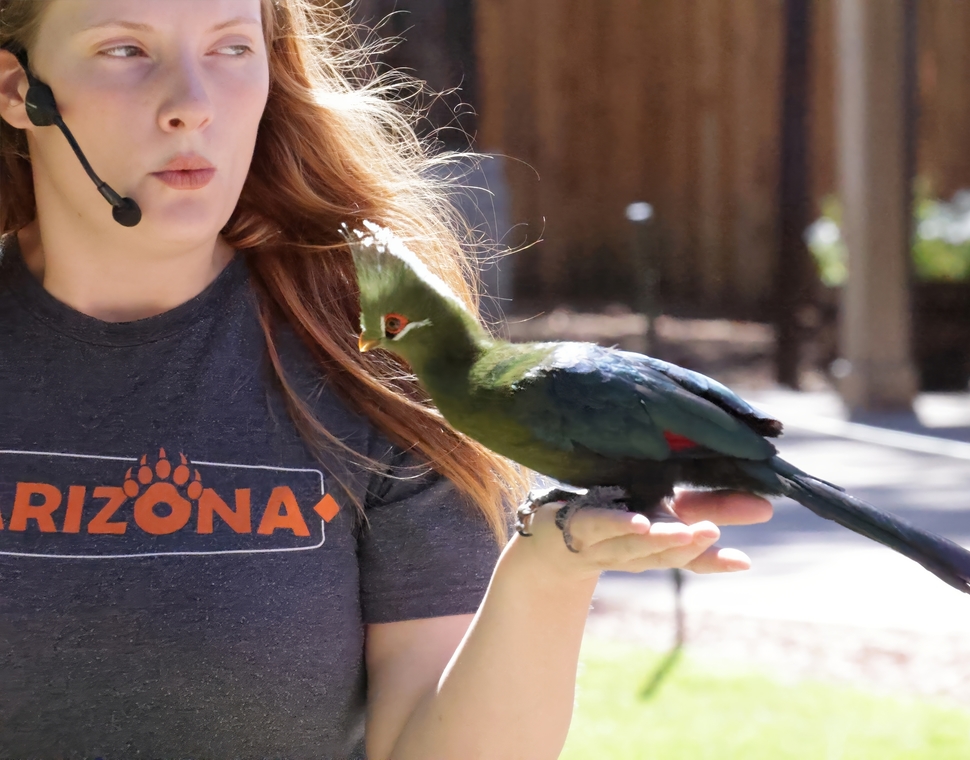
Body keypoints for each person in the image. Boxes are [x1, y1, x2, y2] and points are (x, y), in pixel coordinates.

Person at [0, 0, 773, 757]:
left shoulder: (377, 370)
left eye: (231, 48)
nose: (192, 106)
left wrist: (547, 575)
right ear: (17, 91)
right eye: (126, 50)